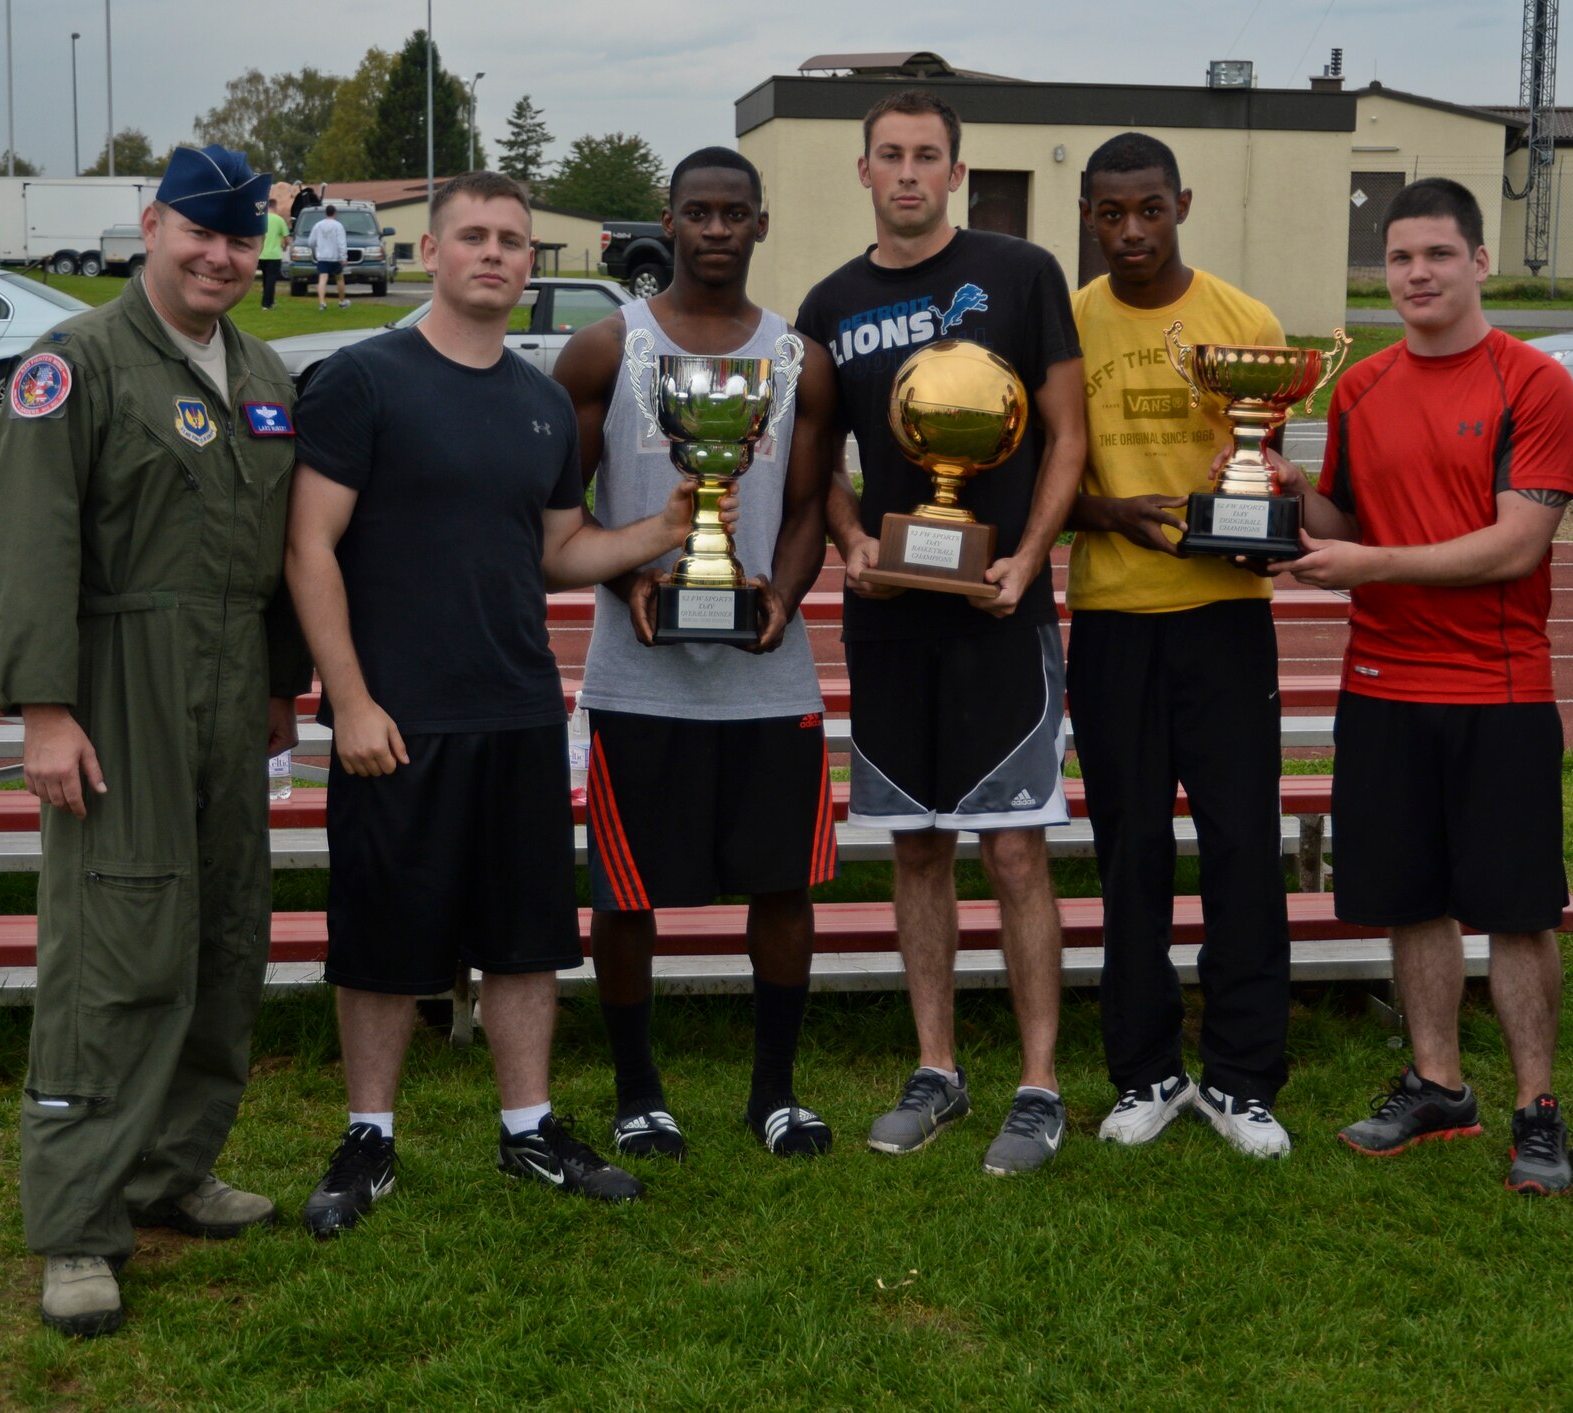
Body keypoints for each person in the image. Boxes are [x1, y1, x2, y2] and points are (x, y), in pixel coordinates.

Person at [285, 171, 709, 1236]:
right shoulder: (362, 380)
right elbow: (309, 548)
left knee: (526, 939)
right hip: (395, 718)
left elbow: (561, 551)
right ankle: (367, 1139)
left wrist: (659, 534)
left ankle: (529, 1128)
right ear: (427, 252)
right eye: (471, 236)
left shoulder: (536, 402)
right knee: (381, 938)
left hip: (518, 710)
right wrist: (350, 699)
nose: (494, 253)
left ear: (532, 264)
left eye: (513, 241)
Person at [0, 144, 304, 1336]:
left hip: (230, 693)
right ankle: (76, 1223)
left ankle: (173, 1169)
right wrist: (46, 711)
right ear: (150, 224)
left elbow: (271, 557)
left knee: (225, 929)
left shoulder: (261, 369)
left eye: (242, 239)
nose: (221, 258)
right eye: (200, 234)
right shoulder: (76, 369)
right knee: (115, 947)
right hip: (118, 689)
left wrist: (281, 685)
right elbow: (27, 546)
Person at [1258, 177, 1573, 1195]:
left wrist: (1371, 567)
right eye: (1399, 258)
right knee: (1413, 902)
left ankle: (1536, 1107)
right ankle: (1437, 1084)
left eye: (1437, 255)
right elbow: (1348, 524)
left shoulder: (1532, 382)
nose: (1416, 274)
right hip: (1382, 685)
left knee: (1518, 909)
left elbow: (1515, 544)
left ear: (1479, 262)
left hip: (1496, 687)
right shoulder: (1358, 387)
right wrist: (1290, 494)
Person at [796, 90, 1087, 1175]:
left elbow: (1066, 436)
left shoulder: (1020, 273)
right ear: (861, 171)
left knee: (1015, 850)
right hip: (888, 620)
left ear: (955, 172)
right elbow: (815, 457)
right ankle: (936, 1070)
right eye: (889, 156)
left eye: (927, 156)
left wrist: (1028, 553)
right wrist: (847, 541)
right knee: (915, 848)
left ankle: (1038, 1083)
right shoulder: (827, 303)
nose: (908, 172)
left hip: (998, 608)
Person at [551, 147, 840, 1160]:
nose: (715, 230)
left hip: (767, 670)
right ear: (666, 223)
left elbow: (806, 508)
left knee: (783, 888)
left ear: (761, 224)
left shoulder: (800, 359)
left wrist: (783, 595)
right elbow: (560, 510)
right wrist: (626, 576)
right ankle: (638, 1093)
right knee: (626, 893)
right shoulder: (602, 350)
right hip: (640, 674)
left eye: (734, 214)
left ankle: (773, 1093)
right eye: (696, 213)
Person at [1064, 133, 1291, 1158]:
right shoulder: (1067, 325)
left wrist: (1262, 524)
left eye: (1147, 210)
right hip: (1113, 623)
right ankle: (1145, 1071)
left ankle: (1244, 1078)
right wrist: (1108, 512)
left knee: (1243, 846)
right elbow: (1042, 486)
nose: (1129, 233)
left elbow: (1267, 467)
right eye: (1109, 214)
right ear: (1086, 214)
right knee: (1131, 856)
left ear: (1181, 205)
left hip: (1223, 623)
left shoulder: (1244, 323)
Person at [310, 203, 348, 310]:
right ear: (335, 213)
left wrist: (318, 245)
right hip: (335, 257)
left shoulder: (318, 225)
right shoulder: (338, 225)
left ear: (325, 213)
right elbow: (342, 243)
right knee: (339, 279)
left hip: (322, 257)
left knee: (322, 279)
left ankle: (322, 303)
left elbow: (311, 241)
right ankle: (342, 301)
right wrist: (343, 257)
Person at [259, 195, 289, 310]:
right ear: (274, 206)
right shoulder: (279, 220)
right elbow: (286, 237)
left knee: (265, 278)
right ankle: (266, 304)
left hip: (262, 254)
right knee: (271, 279)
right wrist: (285, 246)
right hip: (274, 254)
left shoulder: (261, 219)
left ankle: (270, 300)